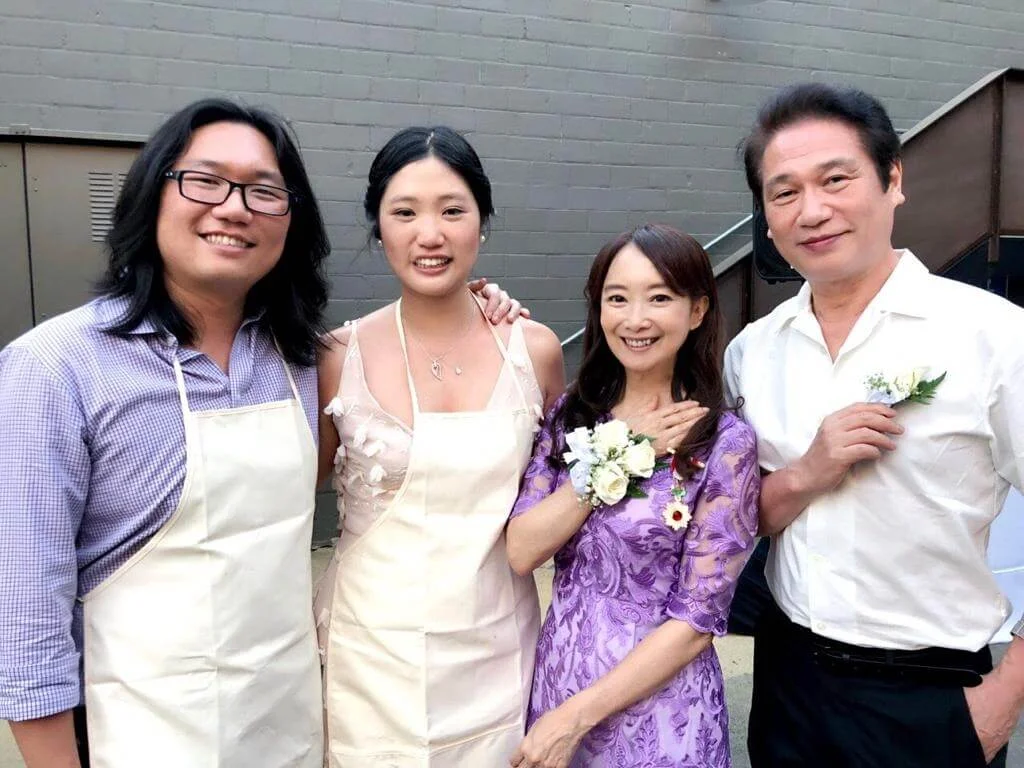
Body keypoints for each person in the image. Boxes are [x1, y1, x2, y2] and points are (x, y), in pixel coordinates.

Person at [0, 101, 520, 768]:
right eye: (205, 181)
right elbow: (26, 615)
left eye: (263, 191)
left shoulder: (297, 358)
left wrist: (474, 307)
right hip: (140, 733)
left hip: (289, 724)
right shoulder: (56, 367)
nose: (233, 208)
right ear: (150, 194)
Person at [725, 82, 1024, 767]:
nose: (812, 211)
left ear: (893, 179)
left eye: (836, 179)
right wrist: (808, 472)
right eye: (784, 192)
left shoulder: (995, 337)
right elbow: (746, 515)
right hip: (788, 683)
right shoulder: (753, 352)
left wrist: (1007, 693)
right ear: (767, 217)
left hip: (932, 694)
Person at [314, 126, 566, 767]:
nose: (430, 234)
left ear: (483, 222)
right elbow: (289, 496)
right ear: (378, 226)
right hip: (372, 654)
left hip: (498, 645)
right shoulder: (337, 357)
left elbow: (555, 496)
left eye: (453, 210)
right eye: (405, 212)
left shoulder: (534, 350)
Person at [506, 224, 760, 768]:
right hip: (559, 681)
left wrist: (574, 719)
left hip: (660, 714)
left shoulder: (724, 442)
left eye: (659, 298)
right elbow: (522, 550)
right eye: (617, 298)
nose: (635, 319)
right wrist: (621, 453)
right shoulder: (572, 414)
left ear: (697, 310)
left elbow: (696, 622)